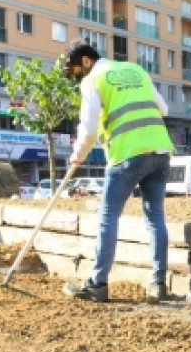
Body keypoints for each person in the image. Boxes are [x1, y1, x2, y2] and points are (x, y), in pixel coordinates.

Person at [61, 38, 175, 304]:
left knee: (108, 216)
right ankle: (158, 283)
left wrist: (77, 157)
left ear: (86, 61)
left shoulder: (93, 80)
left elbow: (88, 130)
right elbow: (164, 109)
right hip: (159, 151)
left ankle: (97, 284)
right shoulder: (136, 70)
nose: (78, 80)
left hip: (127, 155)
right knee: (155, 216)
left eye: (77, 72)